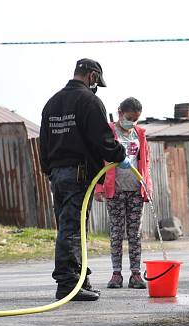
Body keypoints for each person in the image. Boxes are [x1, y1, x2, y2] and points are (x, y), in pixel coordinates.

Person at [40, 58, 128, 301]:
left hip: (58, 174)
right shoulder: (89, 101)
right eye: (97, 81)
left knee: (70, 226)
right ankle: (68, 284)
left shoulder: (53, 102)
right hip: (78, 173)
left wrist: (49, 169)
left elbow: (43, 142)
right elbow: (102, 140)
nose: (96, 85)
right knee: (73, 228)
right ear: (92, 76)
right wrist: (120, 155)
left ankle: (80, 279)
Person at [94, 97, 152, 290]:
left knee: (135, 233)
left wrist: (147, 188)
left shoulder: (140, 134)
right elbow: (99, 160)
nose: (132, 122)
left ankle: (135, 274)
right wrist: (99, 188)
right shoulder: (109, 132)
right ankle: (116, 274)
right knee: (116, 233)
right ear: (119, 113)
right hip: (115, 190)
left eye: (135, 119)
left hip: (136, 190)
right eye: (128, 118)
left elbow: (146, 163)